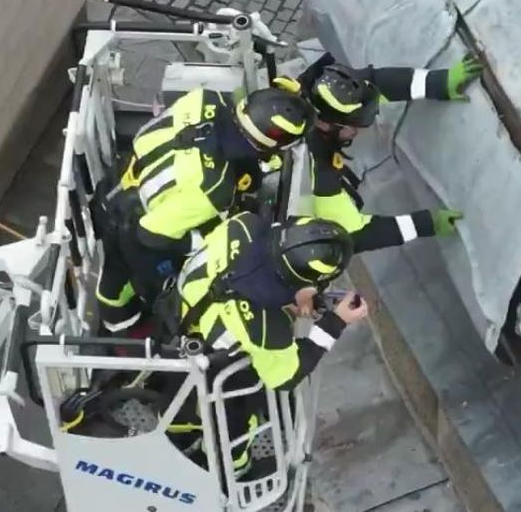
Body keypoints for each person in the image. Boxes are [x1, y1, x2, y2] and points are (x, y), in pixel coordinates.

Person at [95, 86, 316, 337]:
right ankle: (123, 330)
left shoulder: (207, 98)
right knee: (122, 288)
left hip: (118, 181)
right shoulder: (213, 188)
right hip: (132, 229)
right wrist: (209, 240)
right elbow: (150, 234)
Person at [164, 211, 367, 478]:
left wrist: (289, 295)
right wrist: (336, 322)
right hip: (215, 358)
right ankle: (230, 469)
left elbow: (246, 274)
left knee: (177, 404)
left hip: (175, 313)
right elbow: (286, 376)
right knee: (237, 417)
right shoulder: (268, 329)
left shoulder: (243, 224)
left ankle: (176, 434)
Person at [287, 52, 483, 253]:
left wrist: (437, 82)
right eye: (352, 125)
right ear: (325, 125)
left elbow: (373, 84)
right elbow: (356, 234)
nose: (358, 131)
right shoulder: (321, 176)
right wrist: (427, 223)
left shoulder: (315, 88)